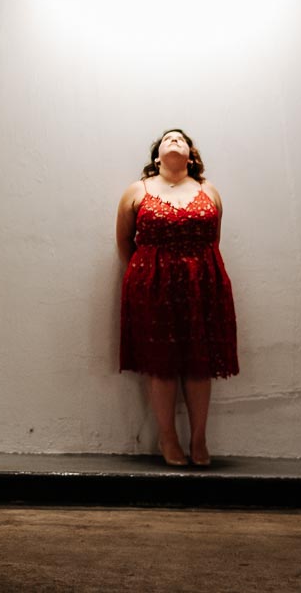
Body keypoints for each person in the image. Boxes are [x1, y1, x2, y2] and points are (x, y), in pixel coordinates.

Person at [115, 128, 238, 467]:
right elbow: (125, 242)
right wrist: (149, 273)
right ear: (157, 157)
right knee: (162, 364)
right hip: (152, 288)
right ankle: (167, 437)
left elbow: (214, 239)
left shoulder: (207, 190)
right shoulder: (135, 191)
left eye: (181, 139)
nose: (174, 141)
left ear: (191, 155)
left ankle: (199, 438)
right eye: (167, 139)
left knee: (200, 365)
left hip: (203, 285)